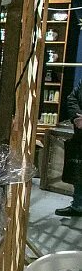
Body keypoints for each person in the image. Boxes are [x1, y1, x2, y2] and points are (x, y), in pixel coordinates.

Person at [57, 80, 82, 216]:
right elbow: (72, 98)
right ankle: (78, 206)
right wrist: (76, 118)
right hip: (80, 134)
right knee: (79, 172)